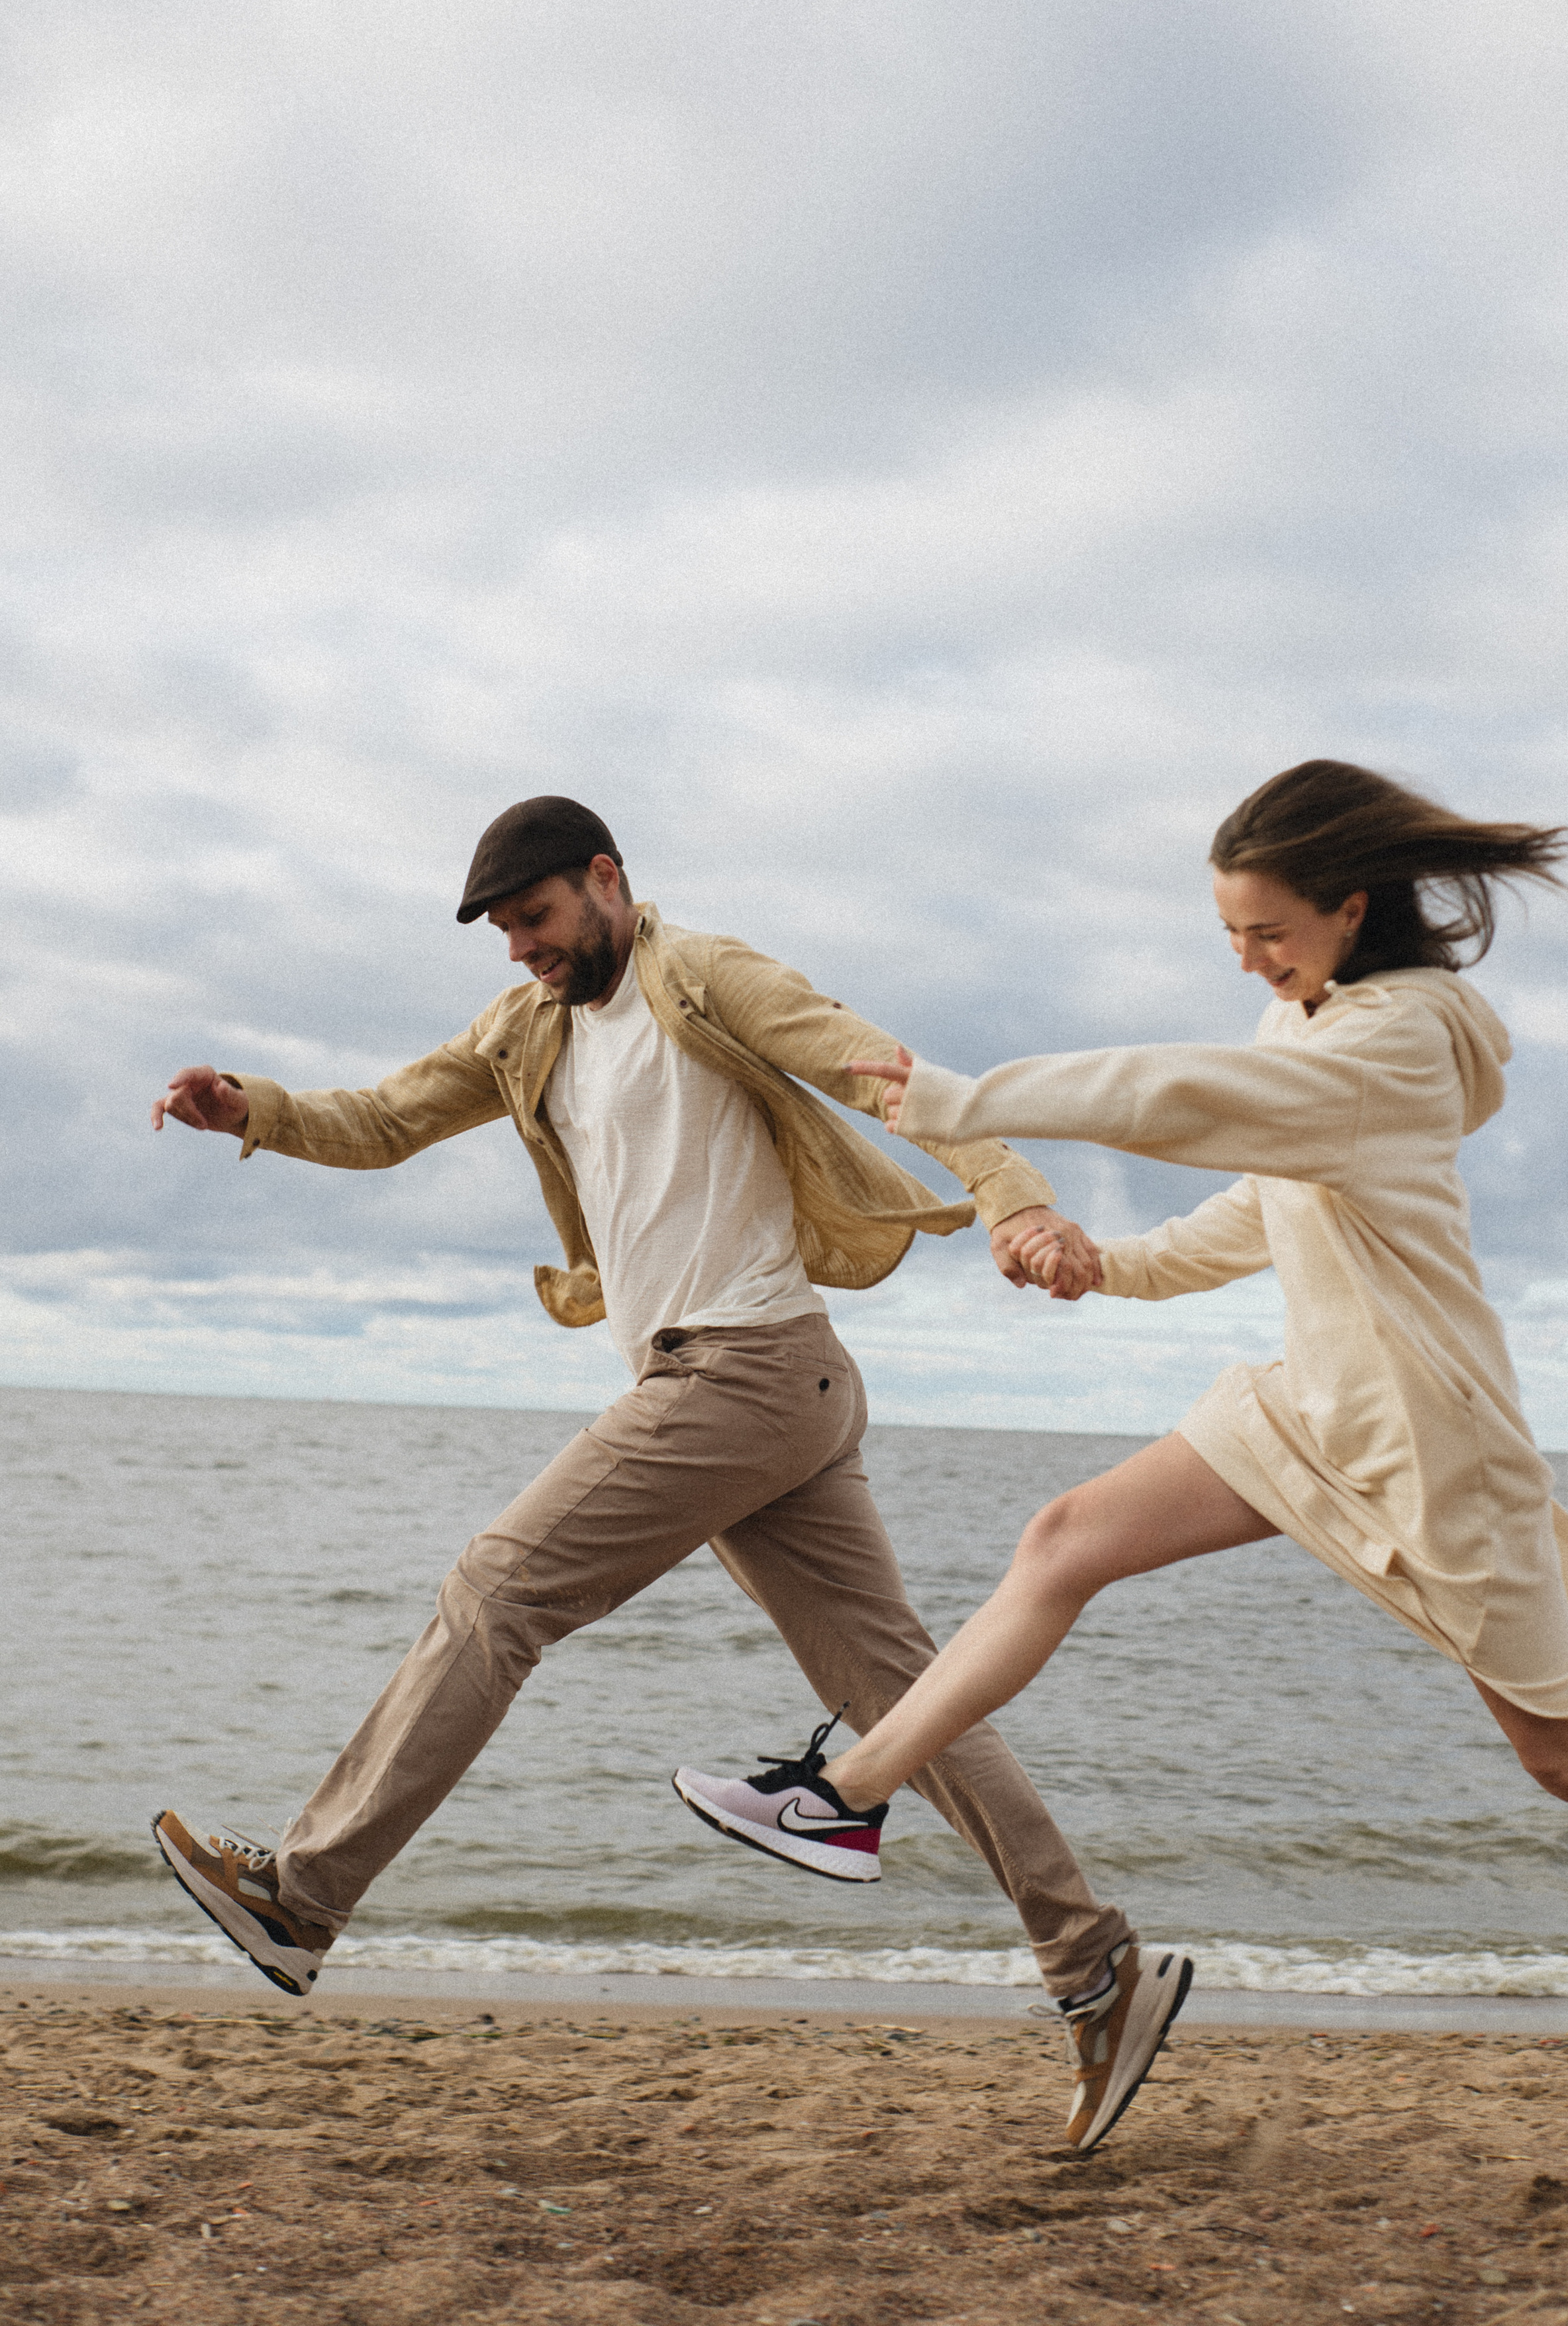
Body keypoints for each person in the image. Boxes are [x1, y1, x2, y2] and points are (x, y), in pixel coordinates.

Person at [148, 795, 1175, 2151]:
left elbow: (886, 1073)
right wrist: (255, 1111)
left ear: (606, 880)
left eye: (538, 918)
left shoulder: (707, 976)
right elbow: (390, 1117)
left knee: (497, 1589)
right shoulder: (528, 1032)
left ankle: (301, 1898)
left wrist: (1011, 1195)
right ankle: (1096, 1970)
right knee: (902, 1702)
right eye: (506, 932)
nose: (523, 949)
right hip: (756, 1390)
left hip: (742, 1368)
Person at [676, 759, 1568, 2008]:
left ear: (1352, 908)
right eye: (1229, 933)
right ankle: (846, 1802)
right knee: (1065, 1540)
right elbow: (1267, 1206)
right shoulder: (1311, 1024)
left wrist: (969, 1097)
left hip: (1433, 1438)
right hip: (1310, 1406)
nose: (1250, 959)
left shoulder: (1402, 1044)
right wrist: (1112, 1267)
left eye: (1268, 932)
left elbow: (1179, 1094)